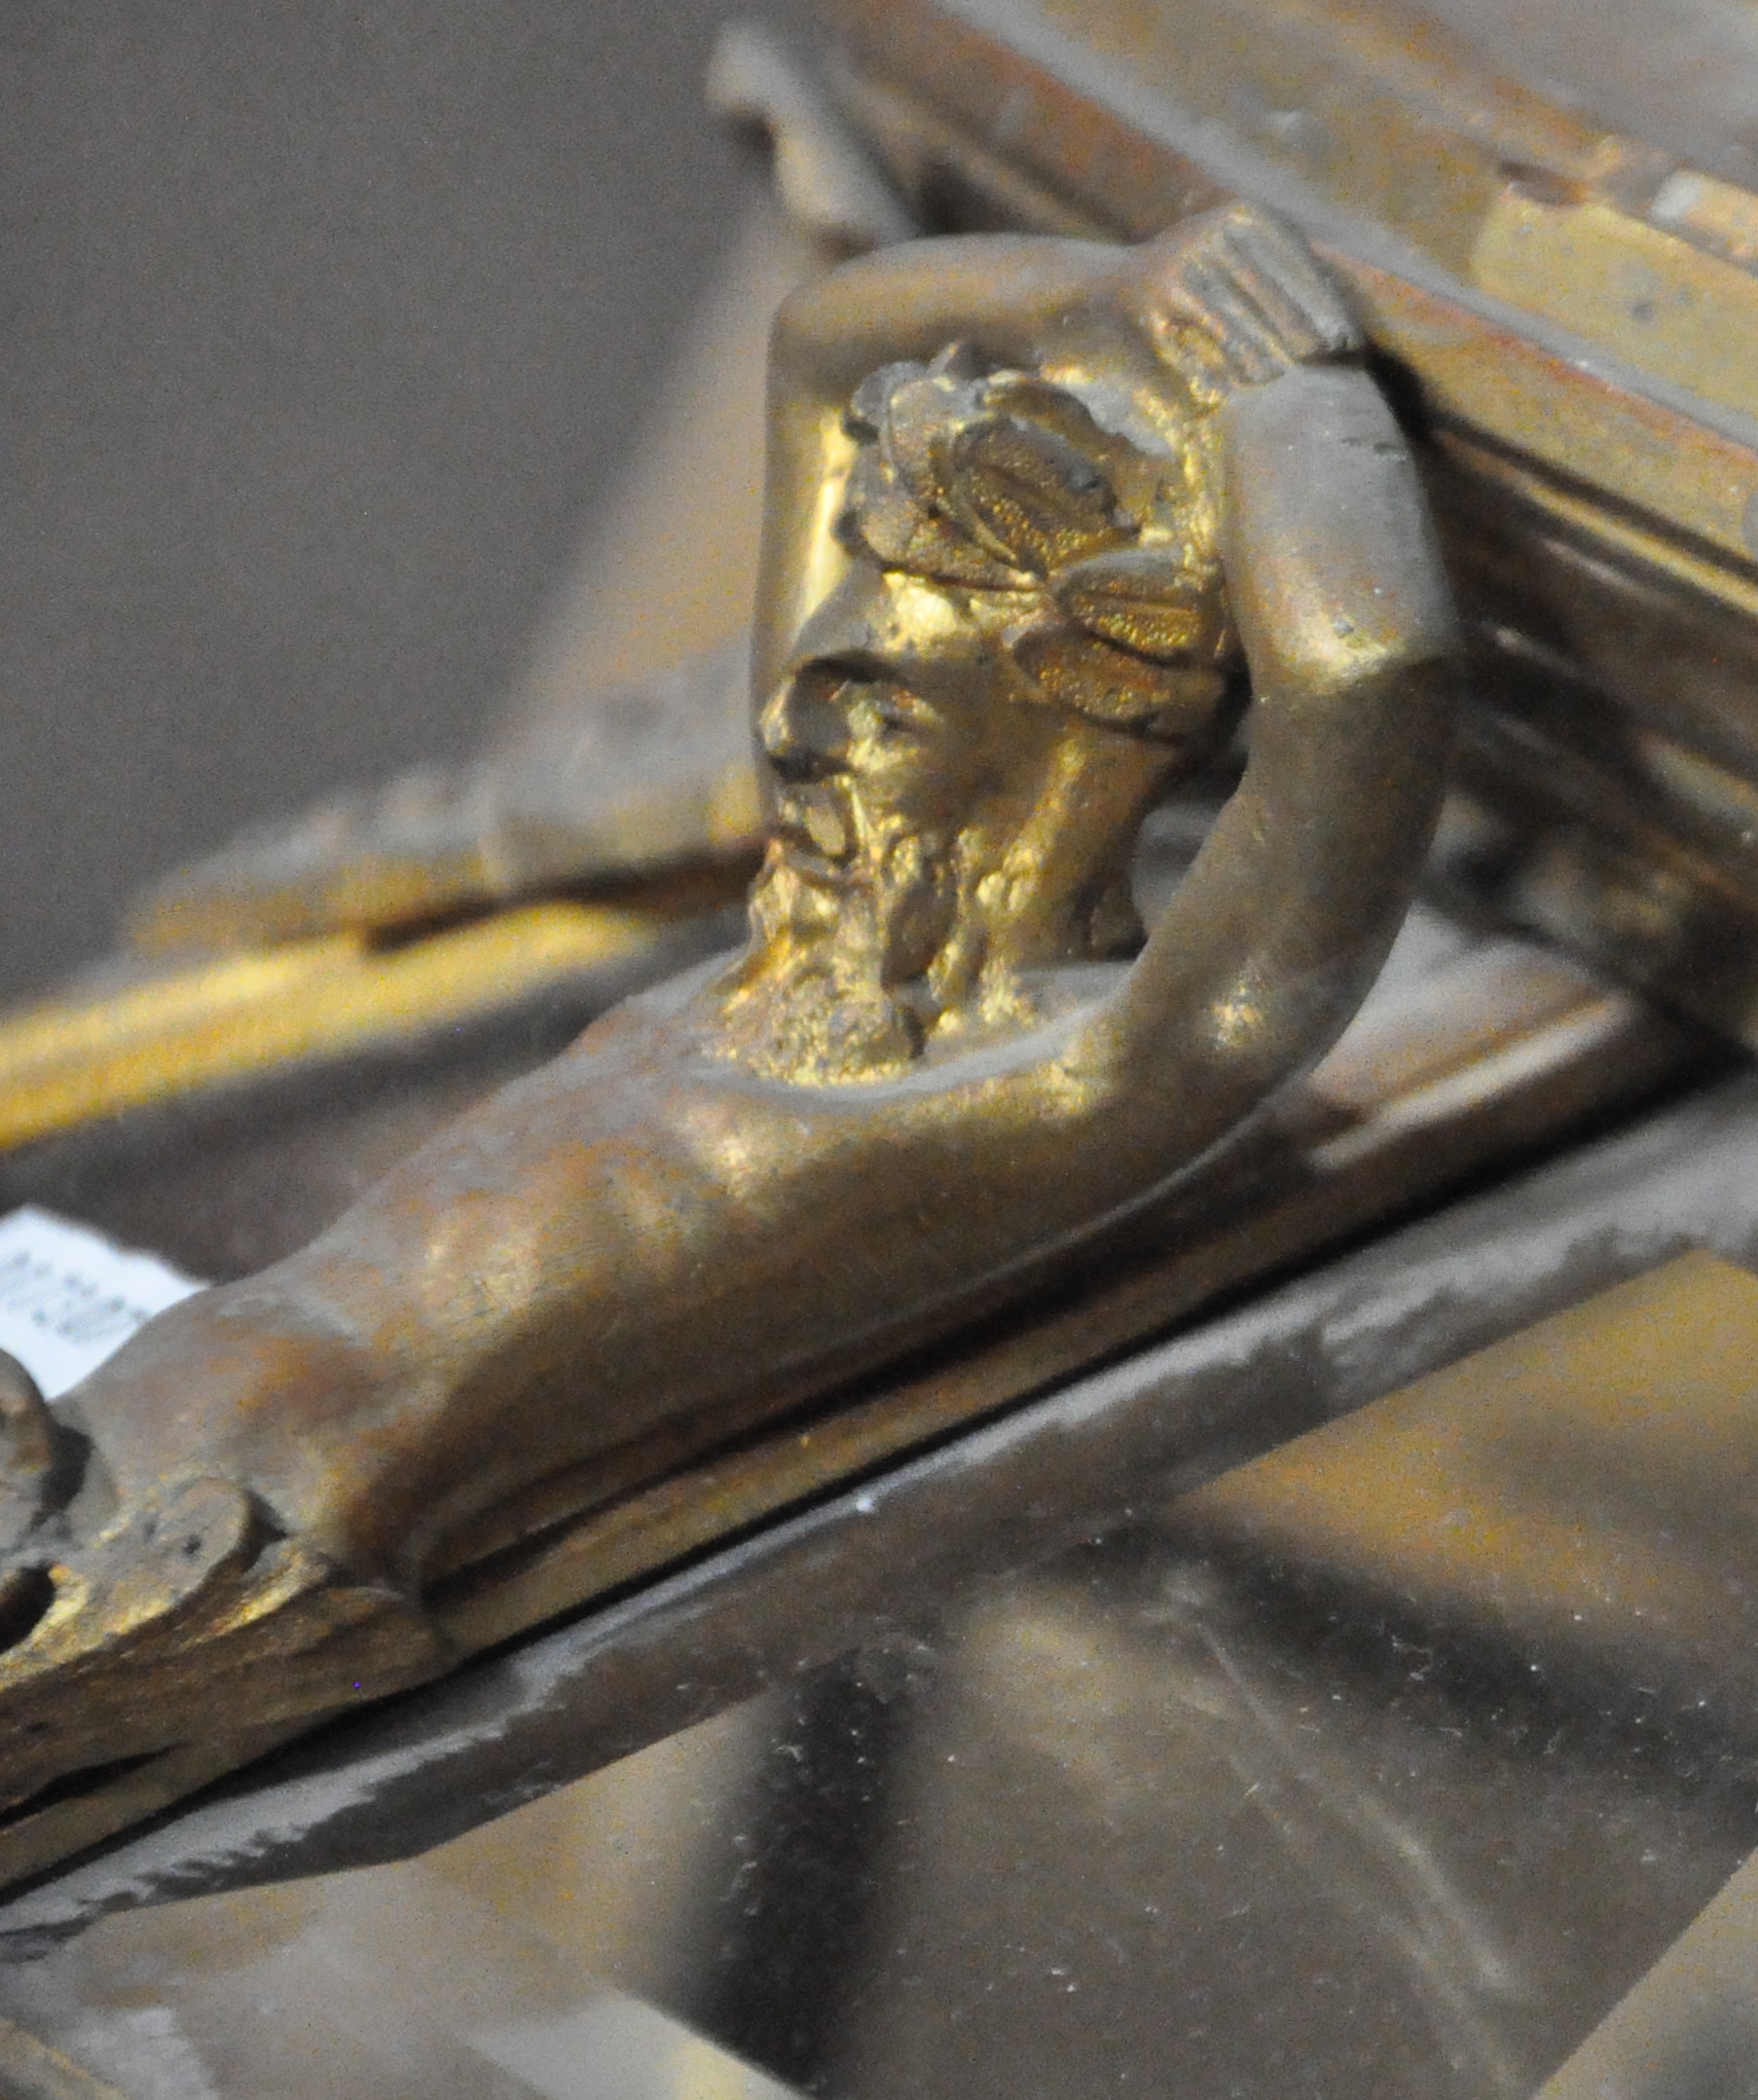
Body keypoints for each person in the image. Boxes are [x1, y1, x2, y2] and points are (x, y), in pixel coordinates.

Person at [0, 201, 1456, 1803]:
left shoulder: (1077, 1068)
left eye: (876, 711)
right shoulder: (807, 936)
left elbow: (1367, 679)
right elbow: (825, 339)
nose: (796, 740)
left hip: (207, 1565)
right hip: (95, 1465)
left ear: (1073, 748)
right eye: (811, 690)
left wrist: (1287, 383)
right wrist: (1115, 291)